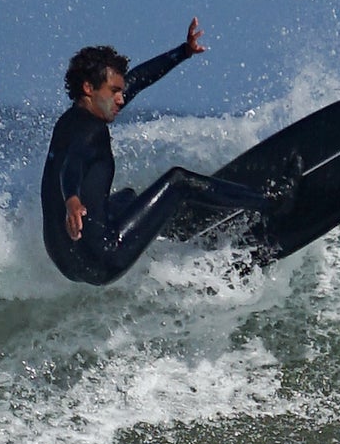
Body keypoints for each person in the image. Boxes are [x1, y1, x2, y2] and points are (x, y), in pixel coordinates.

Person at [40, 18, 280, 285]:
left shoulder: (70, 121)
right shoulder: (91, 131)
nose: (121, 98)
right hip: (104, 258)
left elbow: (138, 80)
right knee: (178, 181)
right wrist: (72, 199)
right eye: (115, 91)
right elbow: (71, 164)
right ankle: (269, 201)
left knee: (128, 197)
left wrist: (183, 51)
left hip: (66, 260)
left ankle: (162, 220)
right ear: (88, 88)